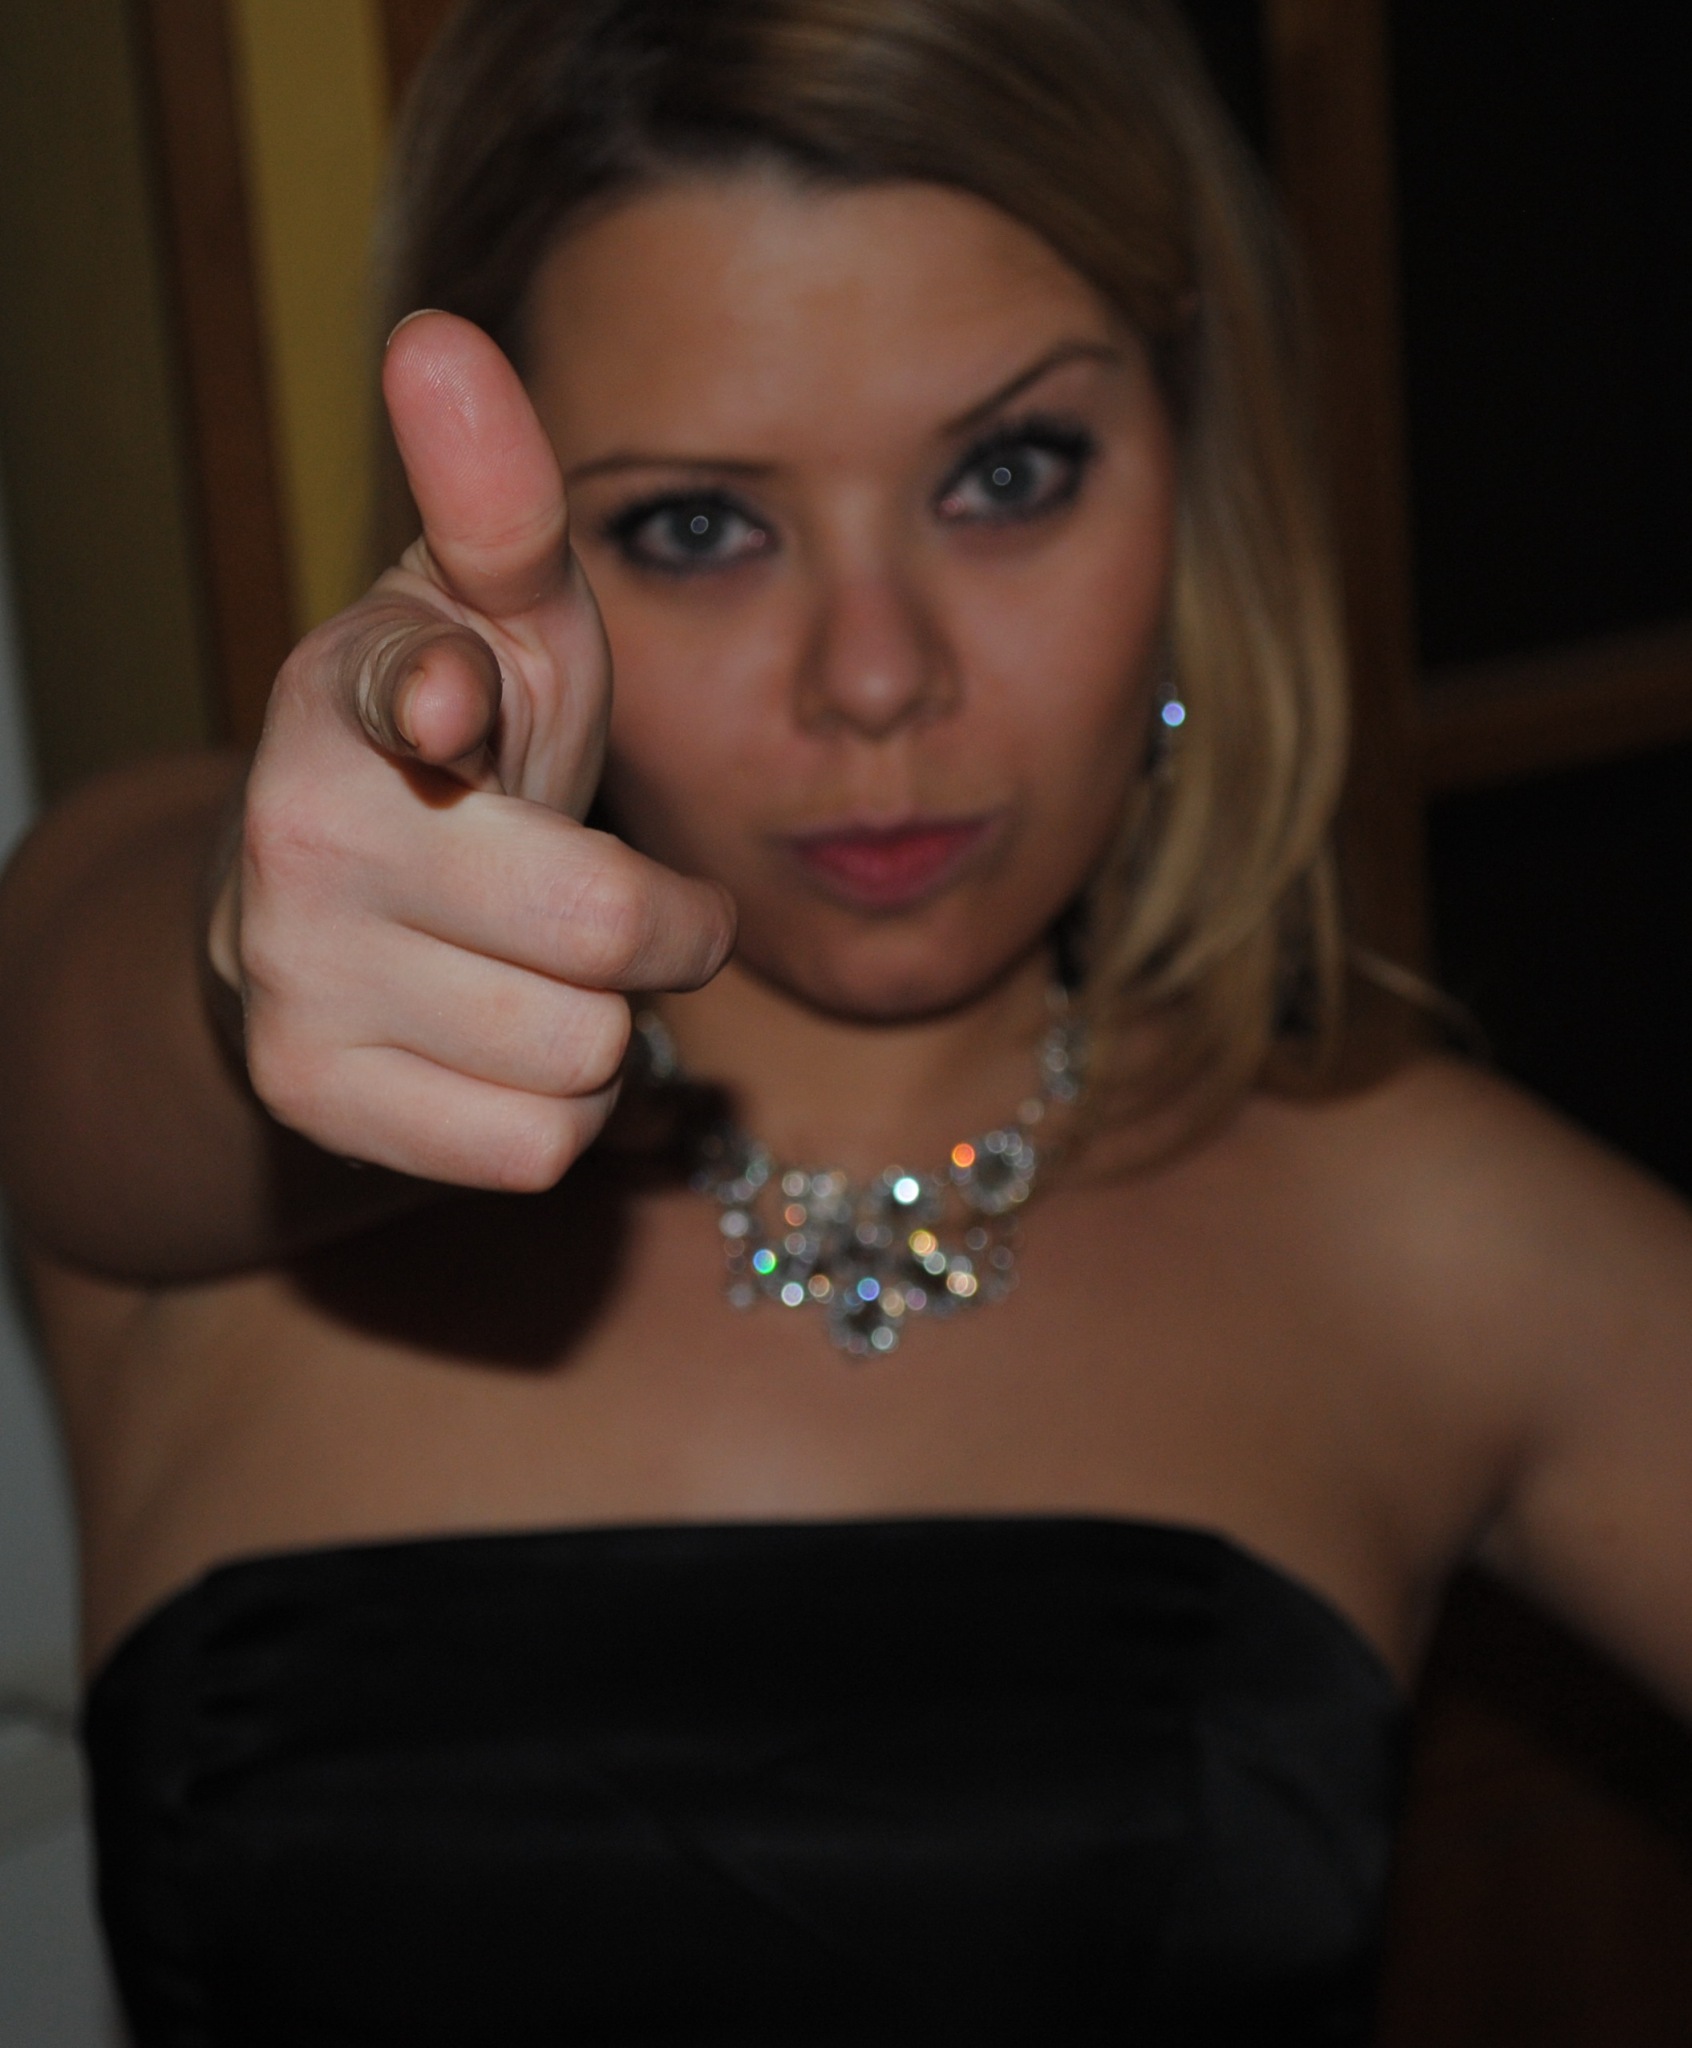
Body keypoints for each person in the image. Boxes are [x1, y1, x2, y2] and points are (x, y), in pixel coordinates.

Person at [1, 0, 1690, 2039]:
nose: (876, 677)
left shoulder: (1427, 1239)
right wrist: (259, 948)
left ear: (1196, 476)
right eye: (697, 525)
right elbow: (132, 1023)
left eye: (1008, 473)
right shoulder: (217, 1129)